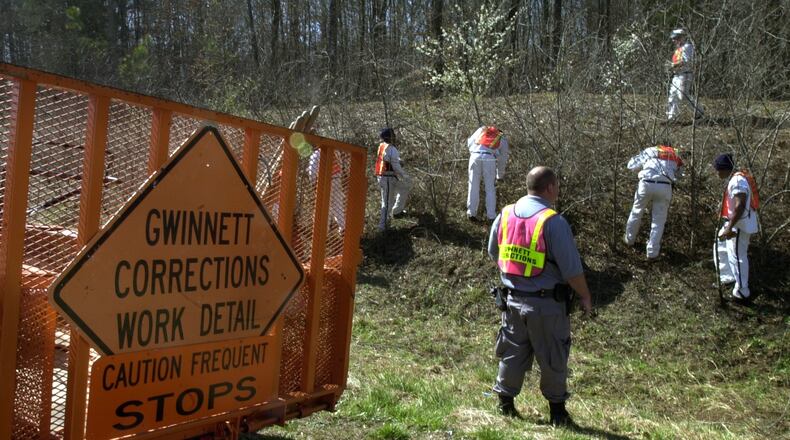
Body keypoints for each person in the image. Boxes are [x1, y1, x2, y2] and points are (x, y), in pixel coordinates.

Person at [488, 166, 593, 425]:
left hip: (512, 300)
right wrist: (585, 296)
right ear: (549, 188)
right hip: (547, 304)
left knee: (512, 351)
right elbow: (572, 269)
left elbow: (494, 252)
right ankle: (557, 412)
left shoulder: (505, 214)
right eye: (556, 186)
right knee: (553, 355)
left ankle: (505, 403)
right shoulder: (553, 222)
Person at [623, 143, 684, 259]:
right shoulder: (675, 154)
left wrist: (641, 167)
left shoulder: (650, 150)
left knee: (636, 212)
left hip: (646, 183)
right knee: (658, 221)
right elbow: (680, 174)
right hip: (665, 185)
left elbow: (631, 165)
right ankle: (652, 252)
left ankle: (629, 239)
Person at [712, 153, 759, 303]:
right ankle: (727, 277)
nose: (716, 173)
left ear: (724, 169)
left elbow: (740, 206)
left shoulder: (738, 181)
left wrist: (730, 227)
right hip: (733, 223)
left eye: (717, 170)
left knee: (737, 256)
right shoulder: (735, 179)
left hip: (739, 225)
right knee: (720, 246)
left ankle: (742, 292)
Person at [467, 126, 509, 221]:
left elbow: (469, 143)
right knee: (490, 188)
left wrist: (474, 153)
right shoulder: (502, 138)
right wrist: (499, 175)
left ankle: (471, 213)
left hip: (474, 156)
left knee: (473, 186)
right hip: (489, 158)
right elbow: (503, 159)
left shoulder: (481, 129)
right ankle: (491, 216)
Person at [374, 127, 411, 231]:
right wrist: (405, 176)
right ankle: (382, 227)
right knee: (386, 202)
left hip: (383, 177)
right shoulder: (391, 149)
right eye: (393, 136)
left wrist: (398, 161)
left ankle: (396, 211)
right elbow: (396, 167)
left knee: (404, 188)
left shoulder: (382, 146)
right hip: (388, 178)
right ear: (390, 137)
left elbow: (389, 159)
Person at [666, 28, 704, 122]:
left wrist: (673, 65)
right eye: (673, 38)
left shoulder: (687, 47)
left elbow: (687, 61)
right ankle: (671, 118)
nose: (673, 40)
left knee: (683, 95)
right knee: (673, 95)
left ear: (681, 37)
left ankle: (699, 111)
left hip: (685, 74)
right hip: (676, 75)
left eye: (676, 38)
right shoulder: (678, 49)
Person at [308, 148, 346, 231]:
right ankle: (343, 227)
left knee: (326, 206)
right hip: (337, 178)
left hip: (325, 181)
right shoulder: (335, 151)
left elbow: (312, 171)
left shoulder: (316, 154)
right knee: (338, 204)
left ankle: (325, 230)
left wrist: (313, 183)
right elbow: (340, 164)